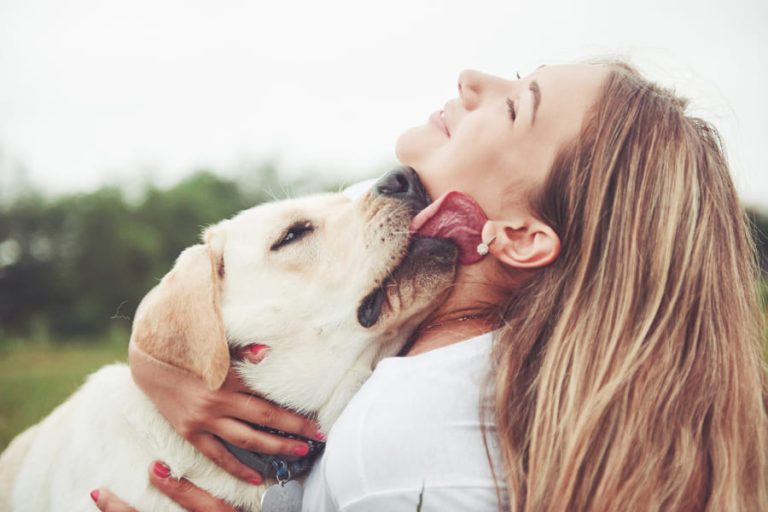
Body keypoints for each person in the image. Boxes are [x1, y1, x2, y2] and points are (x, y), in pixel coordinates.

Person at [93, 61, 768, 511]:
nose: (472, 79)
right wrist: (163, 358)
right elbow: (239, 275)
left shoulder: (416, 430)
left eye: (514, 108)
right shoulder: (416, 255)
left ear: (520, 236)